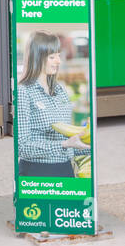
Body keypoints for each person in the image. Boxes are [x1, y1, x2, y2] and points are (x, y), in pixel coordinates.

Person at [16, 31, 88, 177]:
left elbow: (69, 141)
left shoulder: (60, 89)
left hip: (66, 169)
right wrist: (64, 145)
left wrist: (87, 144)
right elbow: (22, 147)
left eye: (58, 56)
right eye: (52, 57)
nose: (58, 61)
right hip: (37, 173)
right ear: (37, 58)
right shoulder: (23, 92)